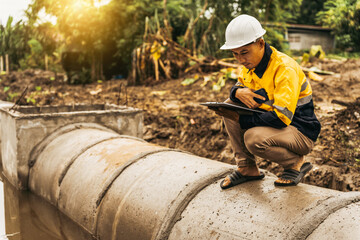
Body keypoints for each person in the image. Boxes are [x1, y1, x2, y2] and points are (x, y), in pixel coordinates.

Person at [214, 14, 321, 189]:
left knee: (253, 138)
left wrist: (242, 120)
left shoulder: (283, 69)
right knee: (229, 105)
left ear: (261, 44)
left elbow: (281, 118)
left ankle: (295, 163)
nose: (240, 59)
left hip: (300, 131)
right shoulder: (250, 67)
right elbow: (238, 86)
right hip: (277, 127)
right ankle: (246, 167)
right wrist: (237, 92)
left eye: (244, 52)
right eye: (235, 54)